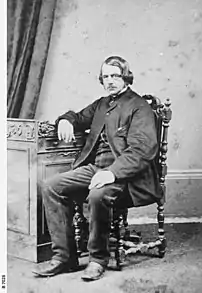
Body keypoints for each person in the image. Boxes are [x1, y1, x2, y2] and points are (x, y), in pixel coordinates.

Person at [33, 56, 163, 281]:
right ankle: (65, 257)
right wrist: (65, 120)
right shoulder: (102, 104)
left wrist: (111, 173)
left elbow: (142, 150)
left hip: (128, 176)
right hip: (96, 168)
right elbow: (78, 117)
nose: (110, 81)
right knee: (51, 186)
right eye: (106, 76)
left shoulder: (139, 106)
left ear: (126, 78)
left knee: (97, 195)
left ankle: (97, 259)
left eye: (115, 75)